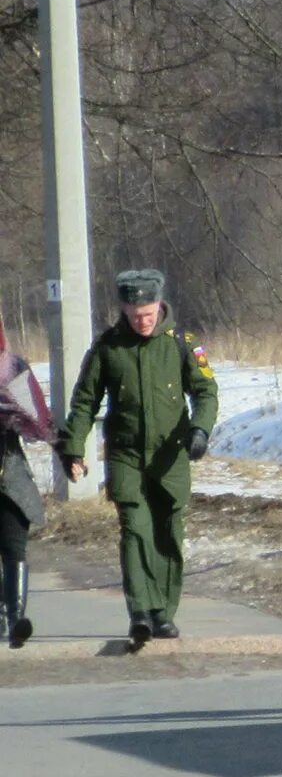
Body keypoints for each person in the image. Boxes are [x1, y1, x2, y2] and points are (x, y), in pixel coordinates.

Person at [55, 268, 216, 649]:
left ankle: (164, 613)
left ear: (159, 306)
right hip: (127, 455)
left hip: (170, 457)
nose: (142, 322)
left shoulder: (182, 343)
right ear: (124, 310)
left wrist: (200, 430)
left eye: (147, 314)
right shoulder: (109, 348)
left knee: (168, 532)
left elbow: (206, 391)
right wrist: (73, 446)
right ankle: (140, 612)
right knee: (135, 530)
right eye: (134, 315)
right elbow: (84, 401)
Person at [0, 318, 50, 649]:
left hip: (8, 469)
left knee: (14, 541)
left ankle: (16, 619)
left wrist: (16, 414)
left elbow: (38, 421)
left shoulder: (14, 367)